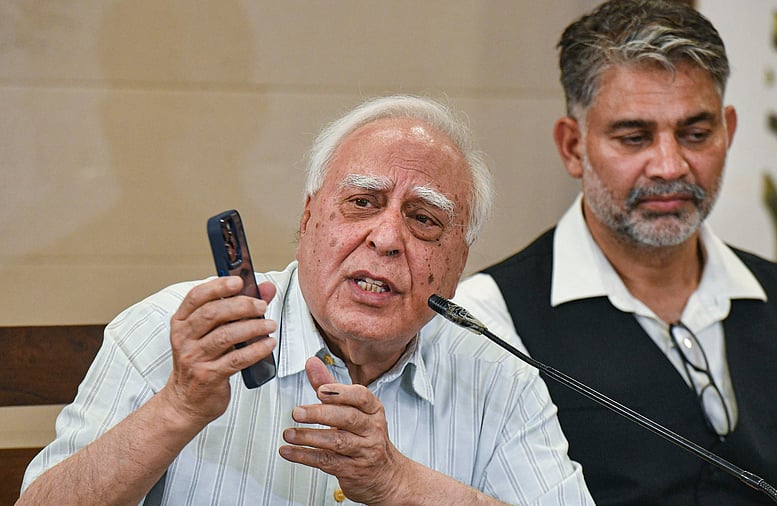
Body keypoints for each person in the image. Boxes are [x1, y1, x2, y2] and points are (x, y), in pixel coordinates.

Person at [18, 95, 593, 506]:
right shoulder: (167, 333)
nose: (388, 238)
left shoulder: (499, 378)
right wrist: (179, 406)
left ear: (460, 259)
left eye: (423, 219)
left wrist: (398, 484)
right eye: (362, 202)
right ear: (308, 217)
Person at [452, 1, 777, 504]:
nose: (669, 165)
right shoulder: (487, 320)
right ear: (573, 146)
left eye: (695, 134)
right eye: (635, 137)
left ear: (728, 130)